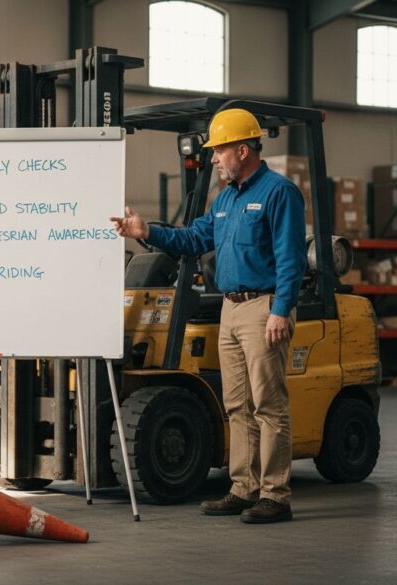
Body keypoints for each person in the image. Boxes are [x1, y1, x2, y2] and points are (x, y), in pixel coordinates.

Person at [111, 108, 307, 524]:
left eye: (218, 151)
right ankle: (242, 487)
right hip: (230, 309)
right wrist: (147, 232)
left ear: (242, 149)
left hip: (262, 308)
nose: (213, 159)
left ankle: (275, 494)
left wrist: (281, 309)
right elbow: (192, 238)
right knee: (236, 404)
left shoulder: (279, 192)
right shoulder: (226, 200)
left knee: (268, 405)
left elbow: (291, 259)